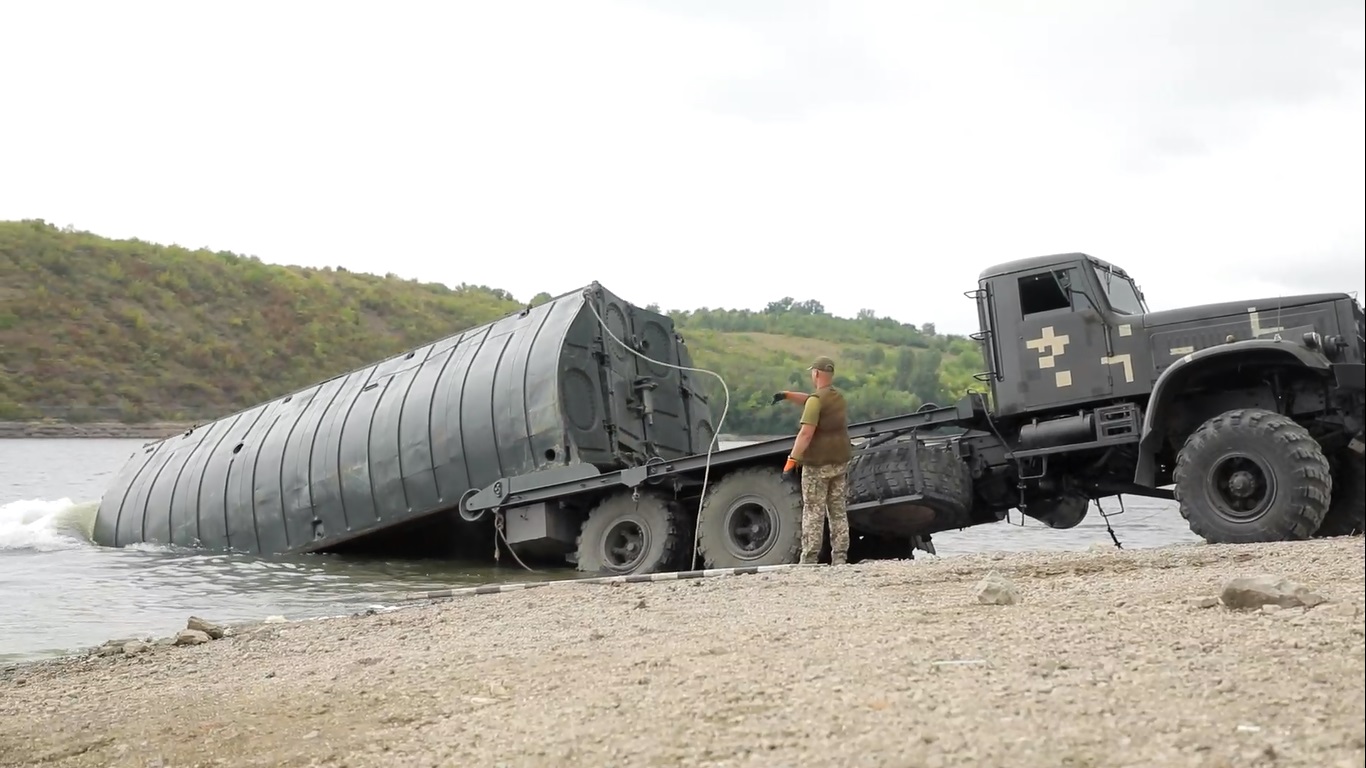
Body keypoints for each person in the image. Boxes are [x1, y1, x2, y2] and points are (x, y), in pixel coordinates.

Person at [772, 356, 852, 565]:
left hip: (817, 465)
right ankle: (840, 557)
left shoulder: (816, 401)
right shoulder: (837, 398)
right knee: (837, 511)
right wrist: (788, 395)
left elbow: (806, 434)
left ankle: (809, 559)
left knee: (813, 512)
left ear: (816, 373)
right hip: (839, 462)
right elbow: (812, 400)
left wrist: (792, 460)